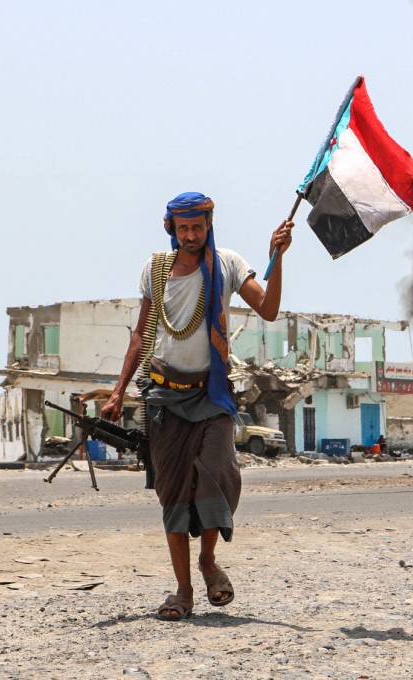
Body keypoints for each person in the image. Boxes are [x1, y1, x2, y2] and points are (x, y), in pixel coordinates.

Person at [101, 192, 292, 621]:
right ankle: (183, 591)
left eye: (198, 227)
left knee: (218, 477)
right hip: (164, 398)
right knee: (173, 494)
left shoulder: (227, 264)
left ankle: (208, 561)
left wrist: (277, 258)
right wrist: (117, 391)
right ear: (171, 228)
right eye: (183, 228)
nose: (191, 235)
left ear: (209, 226)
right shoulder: (155, 270)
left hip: (212, 395)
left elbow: (269, 309)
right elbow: (141, 336)